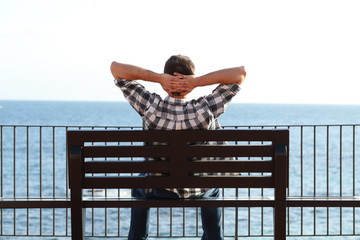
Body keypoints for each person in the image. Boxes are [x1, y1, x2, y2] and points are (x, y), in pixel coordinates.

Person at [111, 55, 246, 240]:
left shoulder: (151, 107)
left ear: (166, 84)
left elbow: (116, 69)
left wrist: (158, 78)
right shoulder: (206, 109)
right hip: (199, 189)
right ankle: (214, 237)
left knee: (140, 183)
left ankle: (138, 237)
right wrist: (197, 82)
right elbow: (240, 73)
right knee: (212, 186)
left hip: (158, 188)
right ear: (190, 79)